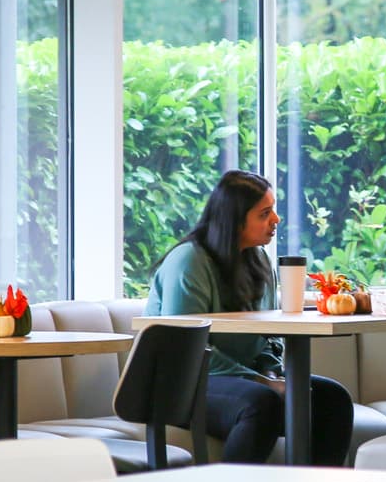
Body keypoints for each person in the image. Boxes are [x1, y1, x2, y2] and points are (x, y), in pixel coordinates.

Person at [143, 170, 355, 466]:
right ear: (234, 219)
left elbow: (267, 335)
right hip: (179, 383)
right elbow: (184, 348)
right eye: (264, 213)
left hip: (236, 378)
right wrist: (260, 381)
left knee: (332, 398)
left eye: (273, 210)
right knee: (261, 402)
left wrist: (271, 372)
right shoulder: (189, 262)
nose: (276, 220)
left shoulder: (258, 260)